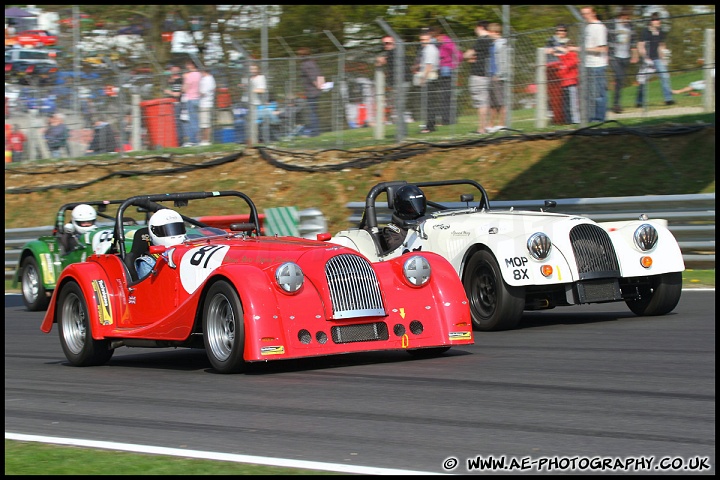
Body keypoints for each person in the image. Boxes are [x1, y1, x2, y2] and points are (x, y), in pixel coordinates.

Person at [635, 12, 674, 108]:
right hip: (648, 59)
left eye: (658, 20)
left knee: (665, 76)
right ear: (651, 21)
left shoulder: (661, 32)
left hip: (657, 59)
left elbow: (661, 46)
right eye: (656, 20)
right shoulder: (645, 31)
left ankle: (668, 99)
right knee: (643, 80)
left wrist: (664, 58)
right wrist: (645, 57)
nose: (658, 22)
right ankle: (639, 101)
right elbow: (640, 46)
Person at [135, 208, 187, 279]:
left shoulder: (187, 253)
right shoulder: (148, 262)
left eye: (177, 228)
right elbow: (150, 288)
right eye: (167, 230)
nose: (173, 233)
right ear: (154, 231)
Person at [578, 6, 609, 122]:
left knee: (598, 94)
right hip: (587, 65)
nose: (585, 16)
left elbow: (602, 49)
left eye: (587, 13)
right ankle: (590, 118)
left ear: (593, 13)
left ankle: (600, 118)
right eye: (583, 14)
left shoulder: (599, 27)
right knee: (589, 94)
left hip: (597, 65)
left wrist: (579, 49)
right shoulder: (587, 28)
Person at [464, 20, 494, 134]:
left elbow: (468, 54)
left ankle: (481, 128)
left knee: (481, 102)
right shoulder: (490, 40)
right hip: (486, 74)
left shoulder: (482, 40)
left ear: (480, 27)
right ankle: (484, 127)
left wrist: (466, 56)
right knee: (485, 101)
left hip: (478, 74)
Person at [608, 7, 638, 113]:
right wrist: (607, 55)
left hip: (625, 56)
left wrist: (635, 55)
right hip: (614, 56)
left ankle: (617, 103)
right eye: (627, 18)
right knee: (619, 77)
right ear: (622, 16)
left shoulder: (630, 26)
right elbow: (607, 39)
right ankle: (616, 105)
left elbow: (633, 42)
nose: (628, 20)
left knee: (620, 81)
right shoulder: (612, 24)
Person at [430, 26, 462, 125]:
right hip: (440, 70)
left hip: (447, 70)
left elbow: (458, 54)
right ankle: (444, 118)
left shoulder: (447, 42)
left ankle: (447, 119)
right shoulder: (438, 44)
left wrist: (454, 65)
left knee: (446, 96)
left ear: (439, 35)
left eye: (434, 37)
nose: (434, 39)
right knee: (442, 96)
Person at [382, 184, 426, 252]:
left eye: (420, 205)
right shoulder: (391, 230)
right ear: (402, 207)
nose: (417, 210)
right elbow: (400, 252)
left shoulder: (426, 223)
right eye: (411, 208)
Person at [417, 29, 440, 134]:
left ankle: (430, 126)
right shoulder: (426, 49)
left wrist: (423, 78)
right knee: (428, 103)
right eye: (421, 39)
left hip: (430, 77)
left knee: (429, 104)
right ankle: (429, 124)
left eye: (425, 39)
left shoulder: (430, 50)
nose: (423, 41)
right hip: (429, 76)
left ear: (429, 39)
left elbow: (429, 66)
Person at [298, 47, 323, 137]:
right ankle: (316, 131)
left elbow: (312, 77)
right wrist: (321, 86)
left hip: (311, 92)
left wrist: (318, 85)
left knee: (312, 112)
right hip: (316, 90)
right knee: (314, 112)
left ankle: (314, 132)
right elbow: (319, 75)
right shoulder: (313, 63)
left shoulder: (305, 65)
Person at [487, 22, 508, 132]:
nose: (488, 35)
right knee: (492, 103)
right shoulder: (492, 44)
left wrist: (499, 74)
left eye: (489, 32)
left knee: (501, 102)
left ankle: (502, 124)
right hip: (490, 75)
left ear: (495, 32)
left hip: (498, 77)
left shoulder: (502, 44)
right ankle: (490, 125)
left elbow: (504, 61)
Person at [557, 40, 581, 124]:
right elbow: (560, 71)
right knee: (566, 104)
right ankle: (568, 120)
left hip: (572, 83)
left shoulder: (573, 56)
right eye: (566, 47)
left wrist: (566, 54)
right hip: (564, 83)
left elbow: (571, 63)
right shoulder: (563, 58)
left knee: (573, 104)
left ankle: (576, 120)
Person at [163, 65, 185, 146]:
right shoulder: (168, 80)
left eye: (176, 69)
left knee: (177, 123)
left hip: (177, 103)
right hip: (168, 104)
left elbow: (178, 94)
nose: (173, 70)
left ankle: (180, 142)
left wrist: (169, 92)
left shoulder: (180, 80)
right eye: (172, 69)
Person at [182, 59, 202, 146]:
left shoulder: (189, 76)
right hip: (198, 99)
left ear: (192, 65)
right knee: (197, 120)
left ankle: (194, 141)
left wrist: (184, 79)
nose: (187, 67)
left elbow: (184, 89)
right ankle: (197, 139)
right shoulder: (200, 74)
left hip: (190, 99)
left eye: (188, 65)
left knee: (192, 121)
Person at [199, 67, 216, 146]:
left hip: (205, 103)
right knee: (204, 123)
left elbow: (203, 92)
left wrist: (196, 92)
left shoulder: (208, 80)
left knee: (205, 123)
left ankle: (206, 140)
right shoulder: (209, 79)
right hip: (205, 103)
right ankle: (204, 140)